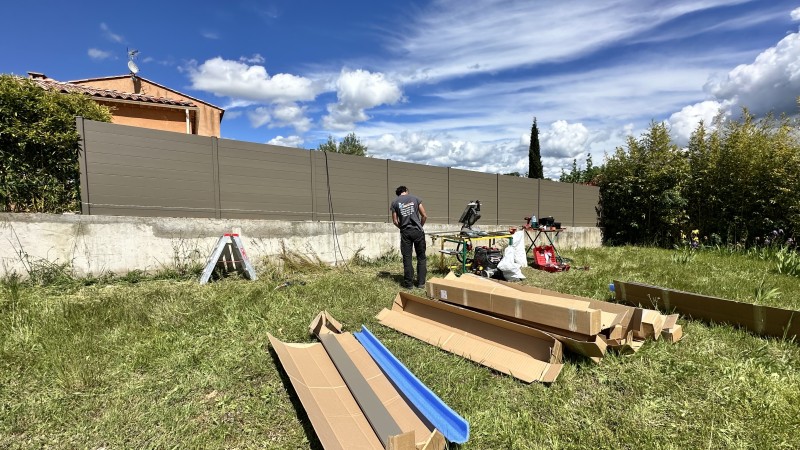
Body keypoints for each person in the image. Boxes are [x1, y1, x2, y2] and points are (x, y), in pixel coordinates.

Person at [390, 186, 428, 288]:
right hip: (418, 231)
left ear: (398, 193)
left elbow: (395, 221)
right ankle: (421, 283)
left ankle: (409, 284)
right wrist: (420, 226)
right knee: (421, 257)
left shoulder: (395, 202)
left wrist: (402, 228)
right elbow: (424, 215)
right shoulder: (415, 198)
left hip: (405, 232)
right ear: (406, 191)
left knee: (407, 258)